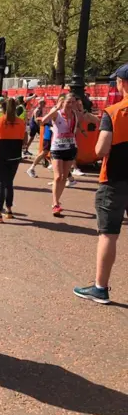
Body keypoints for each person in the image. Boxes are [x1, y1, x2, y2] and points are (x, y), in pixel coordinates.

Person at [73, 64, 128, 304]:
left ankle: (100, 287)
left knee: (108, 234)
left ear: (122, 83)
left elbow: (101, 150)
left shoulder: (114, 112)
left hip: (115, 179)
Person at [40, 93, 98, 216]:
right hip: (57, 148)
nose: (70, 104)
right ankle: (55, 204)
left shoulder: (75, 114)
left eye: (73, 102)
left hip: (70, 148)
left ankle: (57, 201)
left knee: (64, 177)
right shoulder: (57, 113)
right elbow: (43, 121)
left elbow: (94, 119)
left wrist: (83, 110)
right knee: (57, 177)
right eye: (68, 102)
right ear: (63, 102)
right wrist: (55, 109)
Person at [0, 98, 28, 222]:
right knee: (9, 183)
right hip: (14, 156)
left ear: (2, 109)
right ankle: (8, 210)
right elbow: (25, 141)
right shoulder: (21, 123)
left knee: (0, 184)